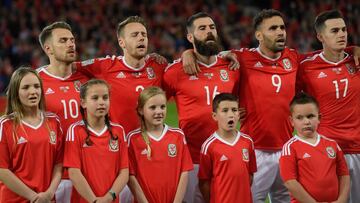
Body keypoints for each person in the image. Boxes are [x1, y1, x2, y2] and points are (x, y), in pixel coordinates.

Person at [163, 12, 240, 202]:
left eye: (212, 27)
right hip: (192, 159)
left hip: (227, 156)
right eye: (202, 28)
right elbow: (155, 104)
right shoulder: (175, 72)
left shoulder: (231, 67)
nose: (209, 32)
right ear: (190, 37)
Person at [297, 10, 360, 203]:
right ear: (320, 36)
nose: (341, 34)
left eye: (343, 30)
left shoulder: (356, 61)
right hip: (326, 150)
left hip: (358, 148)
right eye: (334, 31)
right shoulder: (306, 67)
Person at [75, 16, 167, 135]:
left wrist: (188, 53)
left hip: (150, 144)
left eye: (144, 34)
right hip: (119, 144)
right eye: (134, 35)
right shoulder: (106, 66)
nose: (141, 38)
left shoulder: (158, 65)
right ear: (121, 42)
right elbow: (71, 67)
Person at [37, 21, 91, 203]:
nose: (70, 44)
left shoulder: (87, 80)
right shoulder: (34, 82)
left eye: (72, 40)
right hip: (50, 177)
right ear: (48, 49)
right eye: (63, 40)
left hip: (87, 174)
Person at [0, 67, 63, 202]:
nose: (33, 91)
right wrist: (33, 197)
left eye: (36, 86)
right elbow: (2, 170)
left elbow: (59, 164)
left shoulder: (54, 121)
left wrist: (49, 194)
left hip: (47, 199)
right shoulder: (5, 125)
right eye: (26, 87)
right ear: (16, 92)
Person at [64, 79, 129, 203]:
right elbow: (74, 172)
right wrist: (94, 201)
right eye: (95, 98)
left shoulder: (118, 131)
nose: (101, 103)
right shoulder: (75, 130)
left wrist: (109, 197)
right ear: (83, 103)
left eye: (105, 98)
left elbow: (124, 172)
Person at [279, 92, 350, 202]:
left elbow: (344, 175)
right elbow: (290, 182)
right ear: (292, 121)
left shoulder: (332, 145)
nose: (306, 122)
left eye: (310, 116)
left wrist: (342, 200)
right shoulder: (290, 148)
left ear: (319, 118)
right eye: (300, 118)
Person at [127, 86, 193, 203]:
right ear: (141, 110)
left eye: (162, 107)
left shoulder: (178, 135)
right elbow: (131, 177)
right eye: (152, 107)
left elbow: (184, 172)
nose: (159, 112)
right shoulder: (133, 139)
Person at [198, 93, 256, 203]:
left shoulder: (248, 142)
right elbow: (204, 182)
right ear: (214, 116)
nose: (231, 115)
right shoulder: (208, 146)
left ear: (239, 114)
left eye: (234, 110)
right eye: (225, 110)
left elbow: (250, 175)